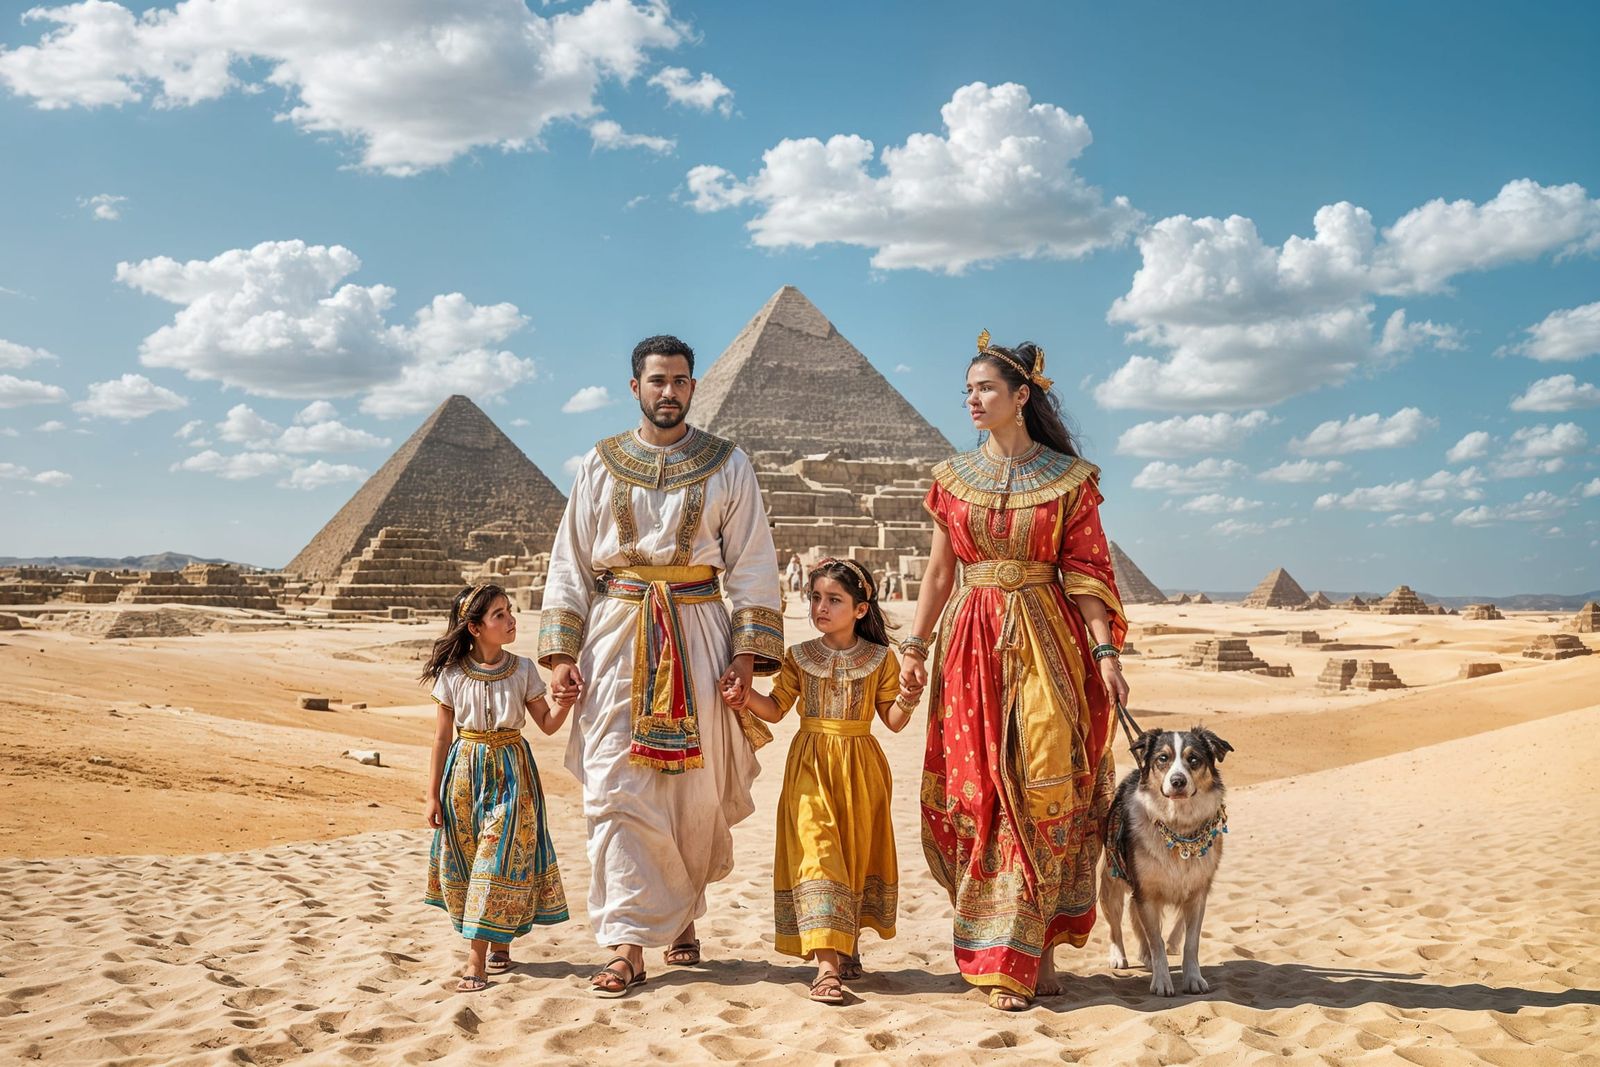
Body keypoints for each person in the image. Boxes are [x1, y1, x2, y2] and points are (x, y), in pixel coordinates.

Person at [539, 334, 783, 998]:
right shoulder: (600, 464)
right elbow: (569, 561)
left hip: (699, 632)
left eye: (679, 380)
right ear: (635, 388)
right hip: (617, 633)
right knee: (616, 786)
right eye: (656, 380)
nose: (668, 391)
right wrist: (562, 654)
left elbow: (755, 567)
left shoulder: (728, 465)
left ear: (694, 387)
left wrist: (743, 658)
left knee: (690, 791)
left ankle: (677, 913)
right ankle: (625, 942)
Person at [898, 332, 1129, 1012]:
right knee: (979, 791)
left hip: (1046, 641)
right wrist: (914, 645)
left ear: (1021, 395)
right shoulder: (950, 479)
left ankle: (1041, 946)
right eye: (967, 390)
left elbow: (1087, 575)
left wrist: (1106, 654)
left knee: (1043, 787)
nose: (973, 399)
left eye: (986, 389)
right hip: (969, 641)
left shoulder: (1070, 480)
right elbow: (940, 572)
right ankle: (1002, 951)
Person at [724, 558, 913, 1006]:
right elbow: (775, 709)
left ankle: (846, 946)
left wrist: (910, 692)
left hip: (862, 768)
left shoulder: (882, 659)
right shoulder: (799, 656)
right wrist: (744, 695)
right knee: (818, 853)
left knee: (853, 854)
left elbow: (895, 721)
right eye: (815, 598)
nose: (820, 608)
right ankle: (827, 966)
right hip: (809, 765)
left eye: (833, 600)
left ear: (861, 610)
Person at [423, 583, 573, 992]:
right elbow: (440, 738)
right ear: (474, 628)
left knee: (498, 859)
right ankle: (499, 941)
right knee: (472, 861)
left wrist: (566, 701)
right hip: (464, 773)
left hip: (512, 773)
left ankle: (476, 959)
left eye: (510, 611)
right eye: (500, 615)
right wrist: (431, 794)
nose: (512, 621)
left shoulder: (523, 669)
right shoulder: (451, 675)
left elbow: (547, 723)